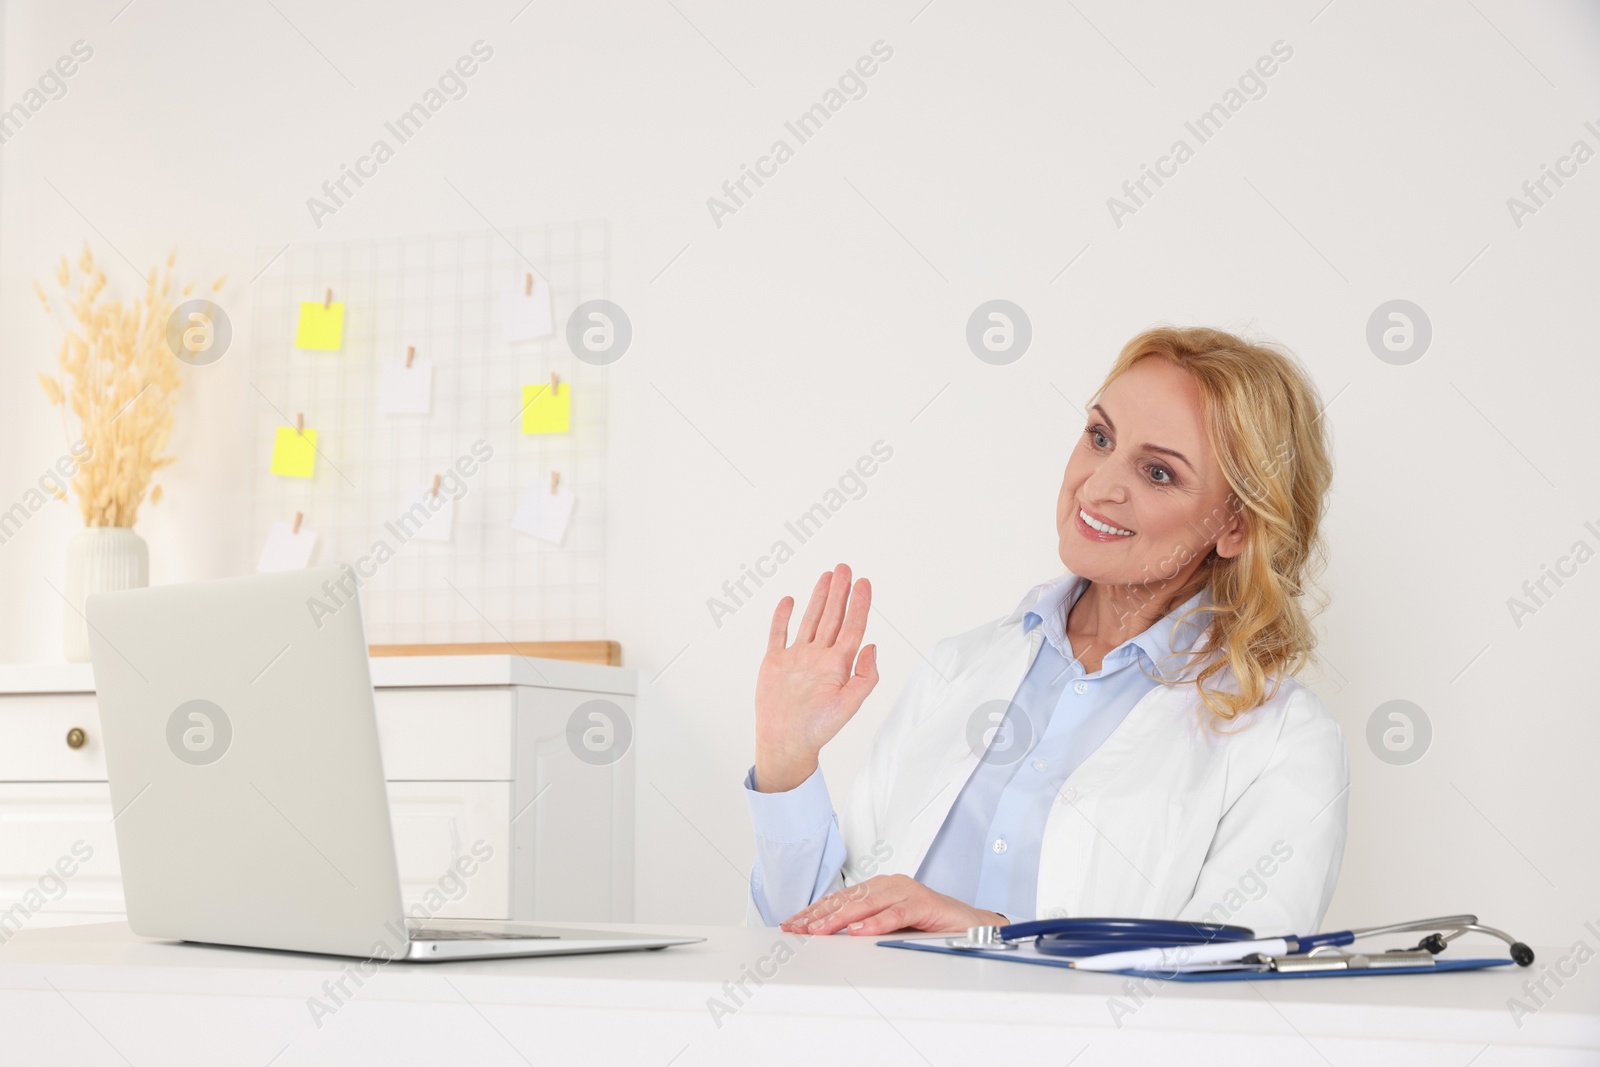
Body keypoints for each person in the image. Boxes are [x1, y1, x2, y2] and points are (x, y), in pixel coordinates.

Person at [743, 325, 1350, 938]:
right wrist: (786, 762)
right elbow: (812, 932)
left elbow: (1238, 967)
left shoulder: (1282, 740)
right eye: (1099, 437)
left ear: (1237, 527)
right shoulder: (958, 668)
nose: (1099, 486)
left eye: (1158, 473)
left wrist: (995, 929)